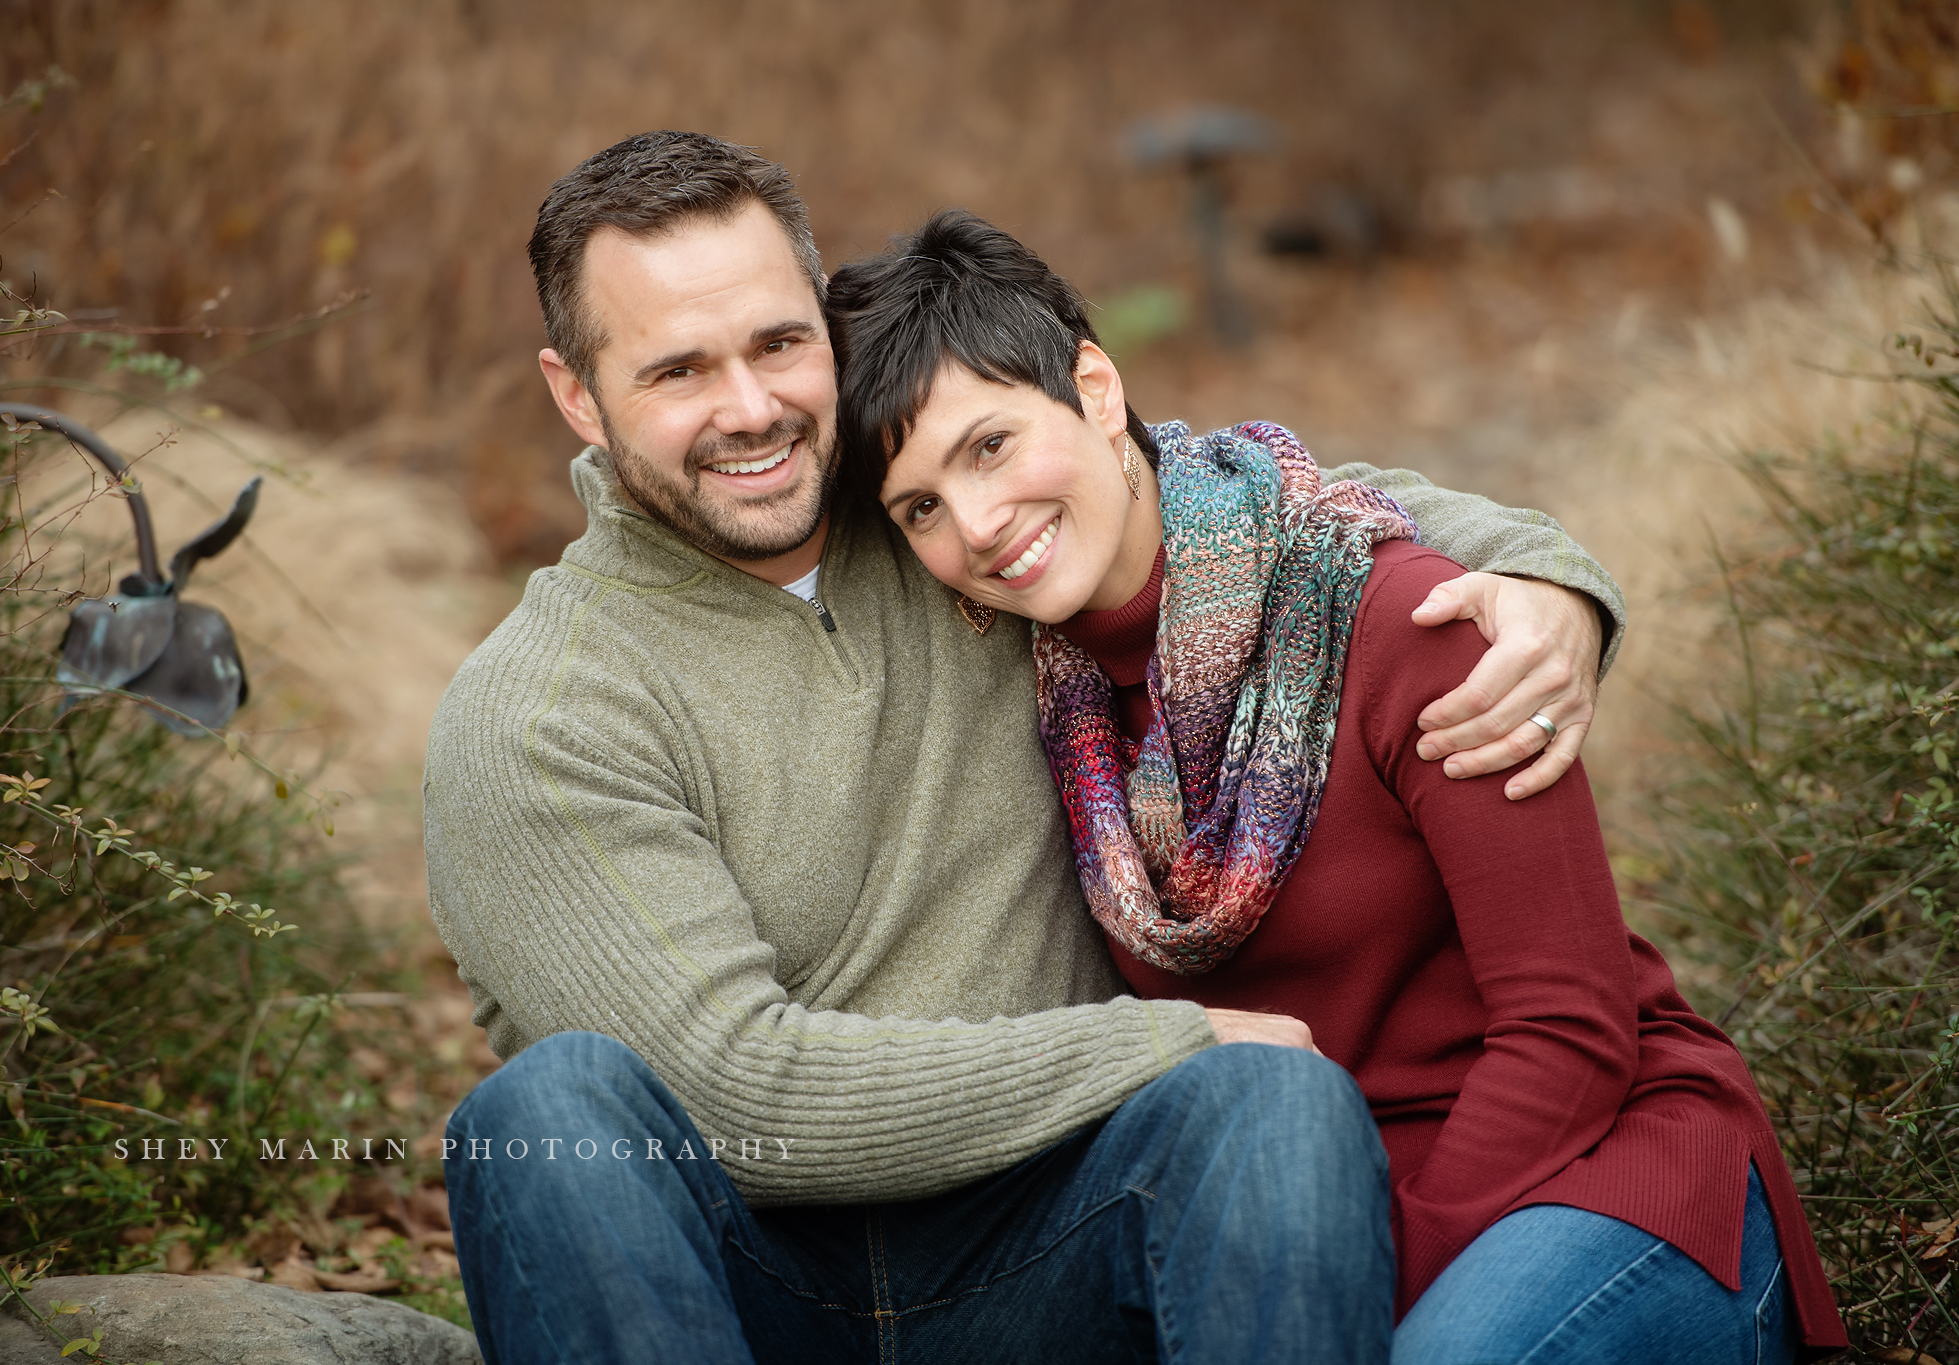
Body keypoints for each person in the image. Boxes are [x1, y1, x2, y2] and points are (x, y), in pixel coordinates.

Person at [425, 131, 1630, 1364]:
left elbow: (1222, 495)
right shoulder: (538, 714)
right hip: (751, 1289)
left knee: (1270, 1108)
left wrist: (1542, 574)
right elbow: (734, 1098)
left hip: (1057, 1236)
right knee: (545, 1108)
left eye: (779, 344)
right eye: (677, 369)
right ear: (577, 393)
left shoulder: (938, 519)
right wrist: (1163, 1037)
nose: (749, 410)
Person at [824, 206, 1851, 1364]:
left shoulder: (1403, 621)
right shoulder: (1050, 710)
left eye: (990, 447)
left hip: (1599, 1172)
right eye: (918, 506)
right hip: (1301, 1217)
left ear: (1096, 391)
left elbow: (1569, 1030)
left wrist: (1344, 1289)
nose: (974, 524)